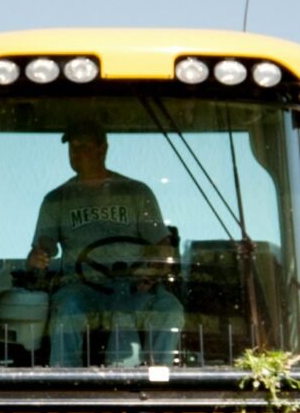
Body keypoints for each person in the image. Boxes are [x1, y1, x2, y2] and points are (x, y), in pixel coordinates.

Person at [26, 123, 183, 365]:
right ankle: (64, 390)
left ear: (103, 148)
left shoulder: (135, 193)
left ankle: (160, 383)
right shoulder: (56, 199)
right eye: (72, 148)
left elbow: (163, 246)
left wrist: (151, 270)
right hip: (80, 287)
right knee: (66, 311)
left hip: (132, 285)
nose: (76, 153)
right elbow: (43, 247)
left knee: (169, 309)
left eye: (83, 146)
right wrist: (37, 257)